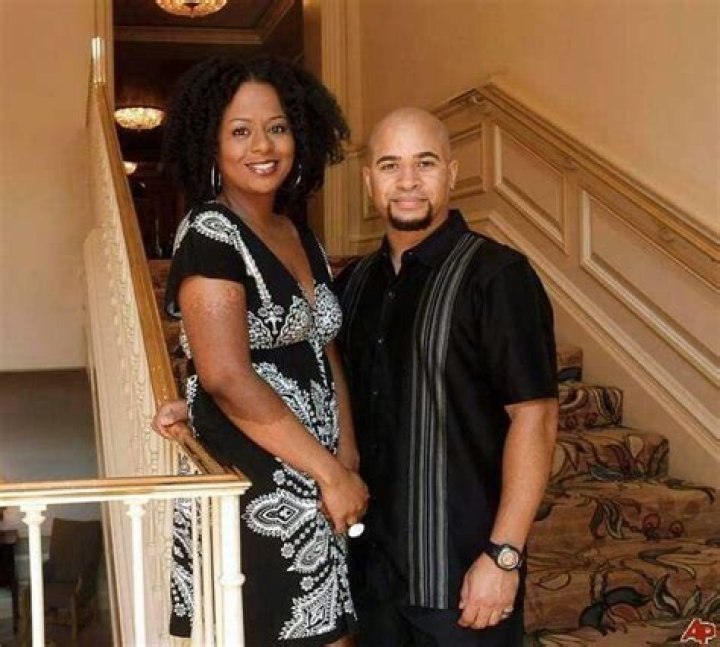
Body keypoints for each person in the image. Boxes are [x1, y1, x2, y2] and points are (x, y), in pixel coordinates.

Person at [156, 105, 559, 646]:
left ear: (452, 173)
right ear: (369, 180)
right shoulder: (356, 284)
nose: (408, 182)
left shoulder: (498, 277)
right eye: (391, 165)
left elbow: (536, 419)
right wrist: (203, 402)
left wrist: (504, 556)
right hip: (368, 576)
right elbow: (307, 378)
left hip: (462, 577)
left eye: (425, 163)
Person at [157, 56, 368, 647]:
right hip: (256, 477)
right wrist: (329, 471)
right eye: (240, 131)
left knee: (334, 632)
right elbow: (225, 377)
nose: (262, 146)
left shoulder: (299, 234)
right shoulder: (210, 234)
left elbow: (324, 351)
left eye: (277, 127)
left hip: (319, 474)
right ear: (212, 143)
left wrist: (346, 454)